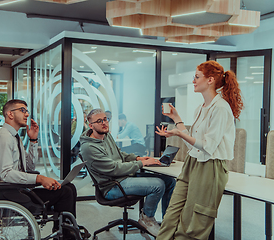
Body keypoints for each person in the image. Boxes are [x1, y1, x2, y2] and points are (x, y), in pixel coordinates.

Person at [155, 60, 243, 240]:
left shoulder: (220, 108)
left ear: (210, 80)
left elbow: (208, 146)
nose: (193, 81)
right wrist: (177, 119)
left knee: (192, 223)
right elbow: (194, 146)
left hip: (210, 168)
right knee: (171, 216)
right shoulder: (200, 108)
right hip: (192, 163)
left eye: (196, 77)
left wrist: (179, 134)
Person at [80, 108, 176, 237]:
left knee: (169, 181)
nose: (104, 123)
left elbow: (120, 154)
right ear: (91, 125)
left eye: (105, 119)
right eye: (99, 121)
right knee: (157, 185)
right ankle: (147, 218)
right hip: (112, 186)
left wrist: (137, 158)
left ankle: (167, 223)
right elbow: (115, 168)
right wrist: (141, 164)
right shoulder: (89, 147)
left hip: (124, 177)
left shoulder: (106, 136)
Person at [0, 99, 78, 233]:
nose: (27, 114)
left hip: (19, 188)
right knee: (66, 192)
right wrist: (39, 179)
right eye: (22, 110)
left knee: (69, 187)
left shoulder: (14, 136)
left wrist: (33, 140)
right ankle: (67, 233)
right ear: (10, 114)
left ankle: (67, 231)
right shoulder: (4, 137)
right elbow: (6, 174)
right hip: (10, 192)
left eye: (27, 111)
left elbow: (28, 167)